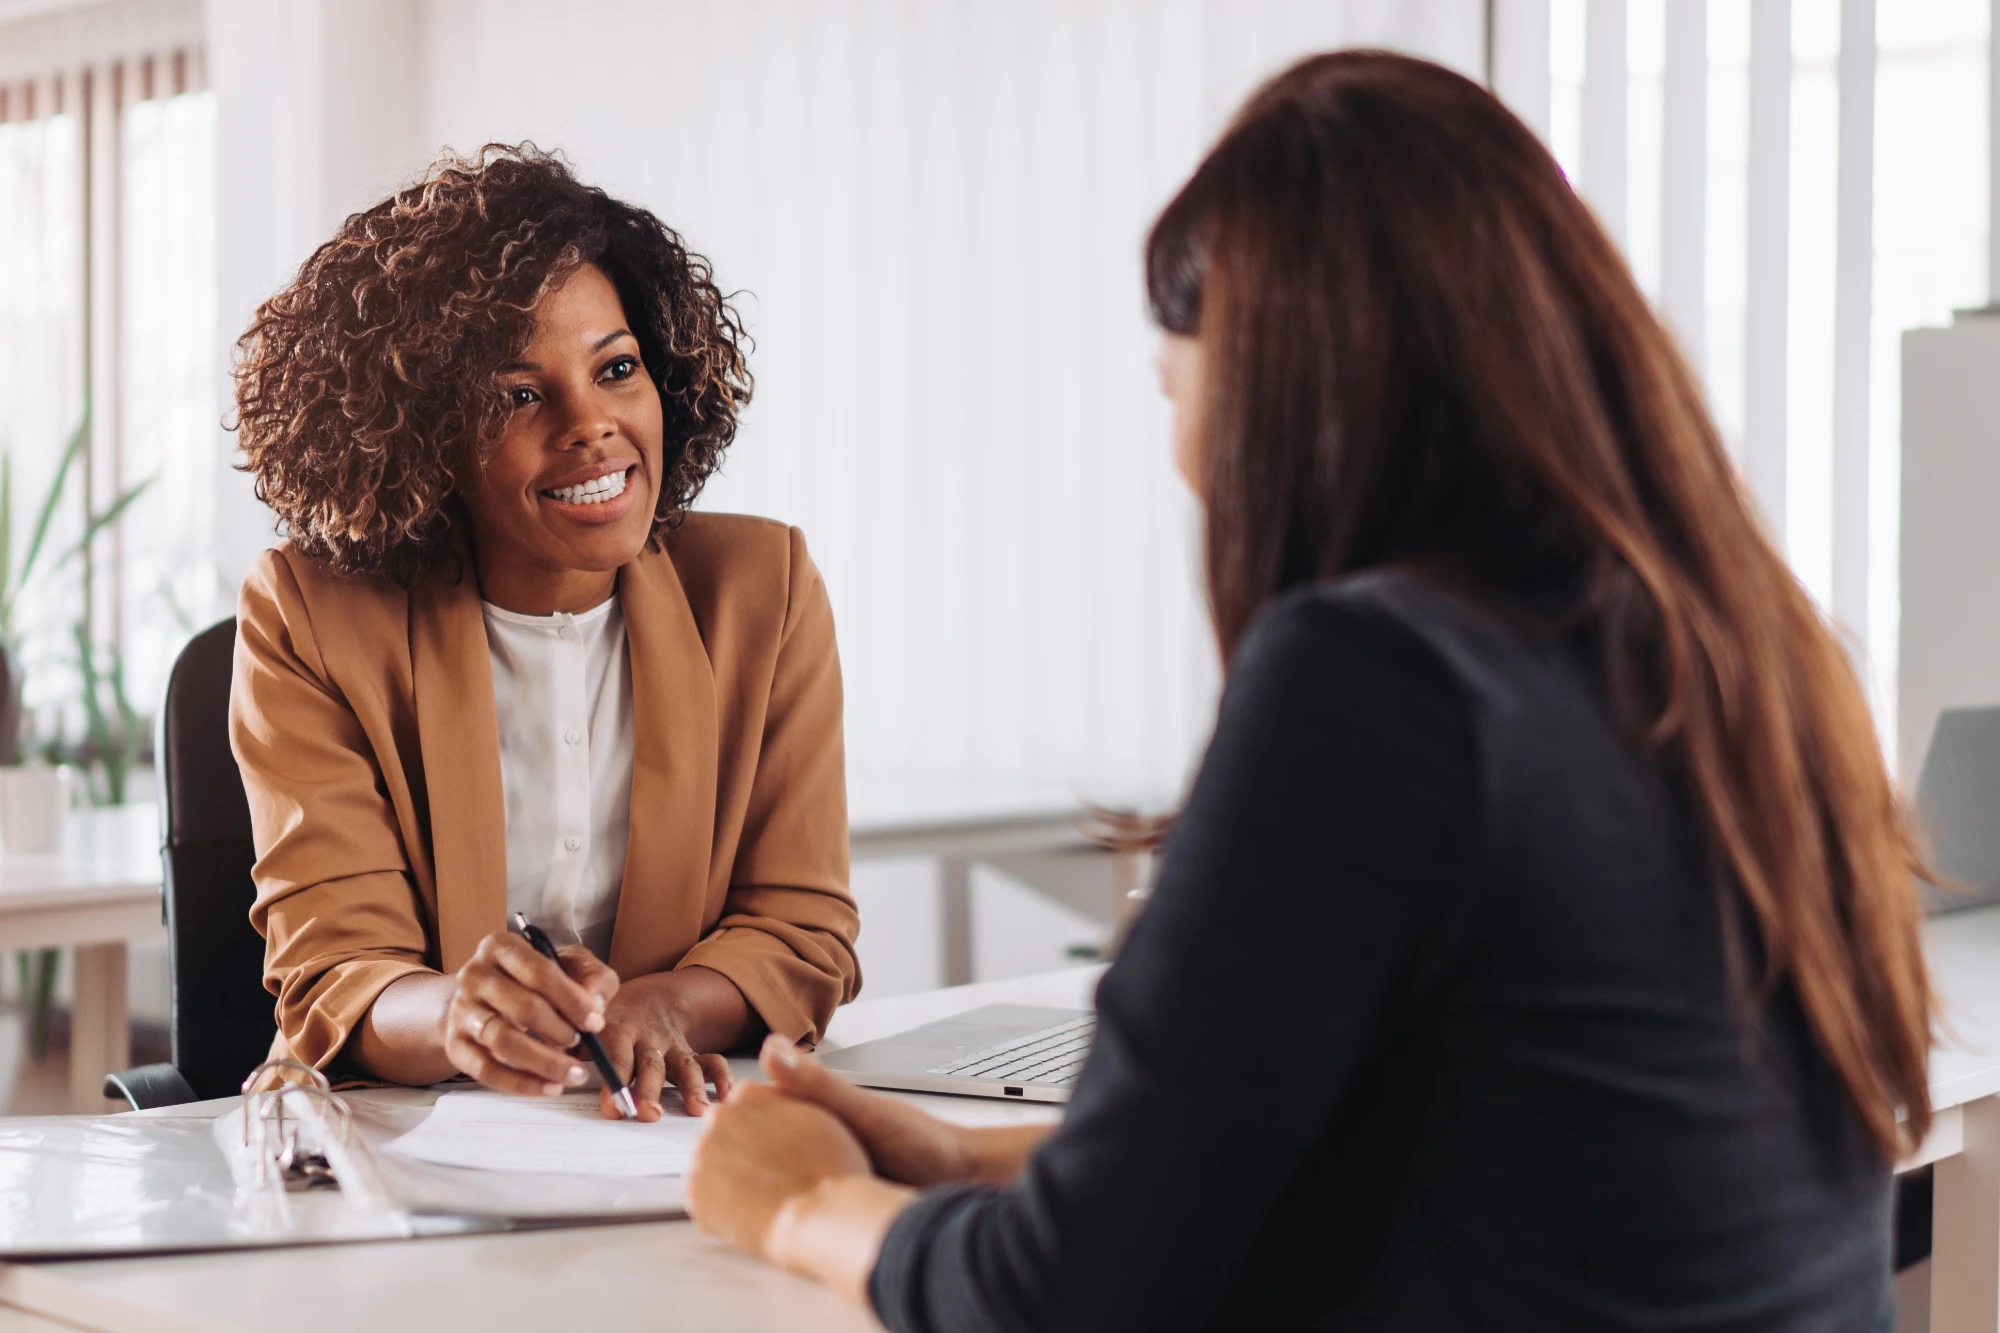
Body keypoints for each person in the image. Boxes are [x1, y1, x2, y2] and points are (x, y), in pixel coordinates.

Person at [682, 51, 1933, 1331]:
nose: (1183, 460)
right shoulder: (1762, 657)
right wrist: (961, 1156)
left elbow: (1067, 1301)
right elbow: (1461, 1150)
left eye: (1174, 386)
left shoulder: (1380, 679)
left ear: (1276, 388)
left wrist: (802, 1204)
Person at [229, 146, 859, 1119]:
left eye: (616, 369)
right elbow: (339, 970)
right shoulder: (308, 613)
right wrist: (458, 1015)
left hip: (665, 1131)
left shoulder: (760, 590)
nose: (591, 424)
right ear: (422, 434)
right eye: (518, 394)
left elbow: (801, 926)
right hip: (399, 1142)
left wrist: (662, 1006)